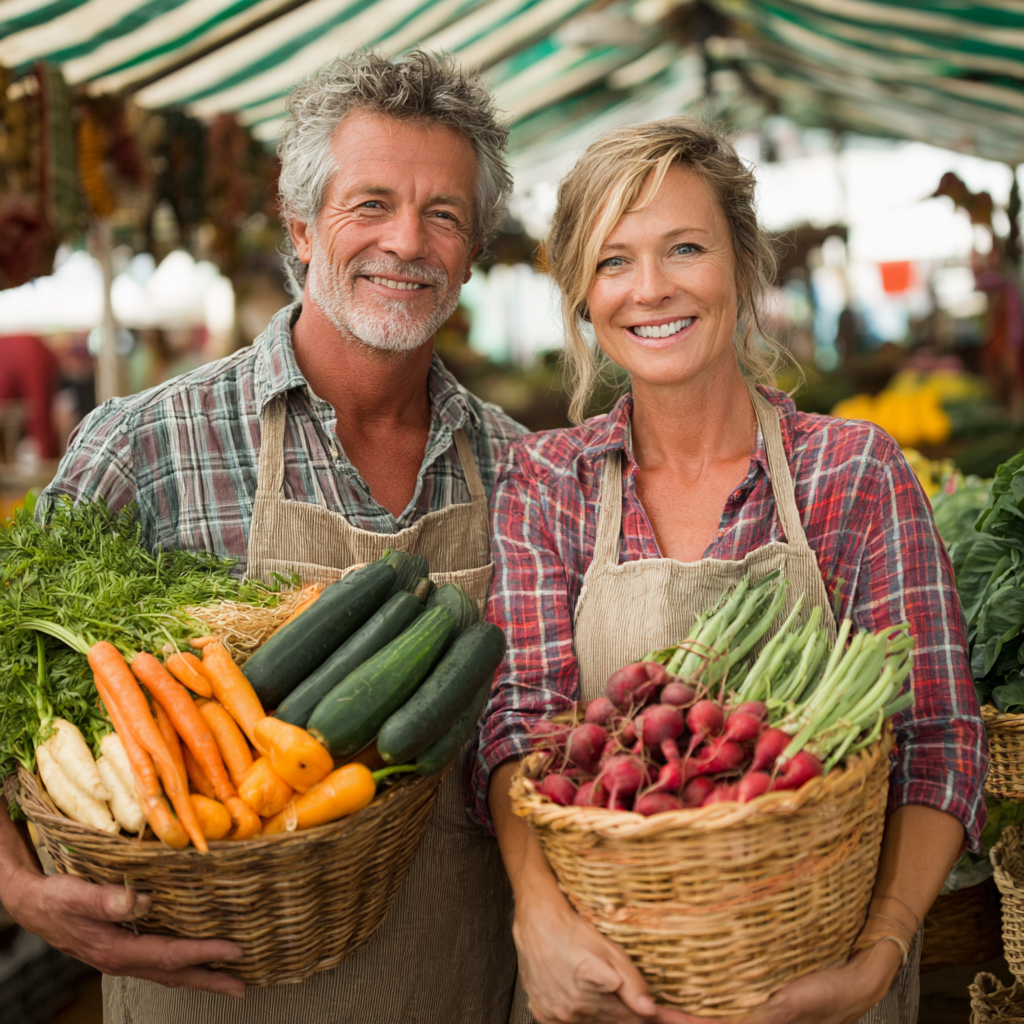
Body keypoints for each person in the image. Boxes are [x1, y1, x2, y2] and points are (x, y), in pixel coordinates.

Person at [0, 50, 524, 1024]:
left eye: (444, 214)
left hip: (454, 988)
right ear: (300, 224)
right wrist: (17, 886)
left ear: (474, 247)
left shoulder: (524, 470)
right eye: (371, 204)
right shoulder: (147, 443)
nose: (407, 241)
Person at [475, 116, 986, 1024]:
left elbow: (939, 737)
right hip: (599, 984)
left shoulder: (852, 472)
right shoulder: (547, 482)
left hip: (820, 978)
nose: (651, 288)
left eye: (685, 248)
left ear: (745, 265)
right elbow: (519, 731)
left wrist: (879, 957)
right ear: (583, 295)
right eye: (613, 261)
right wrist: (538, 920)